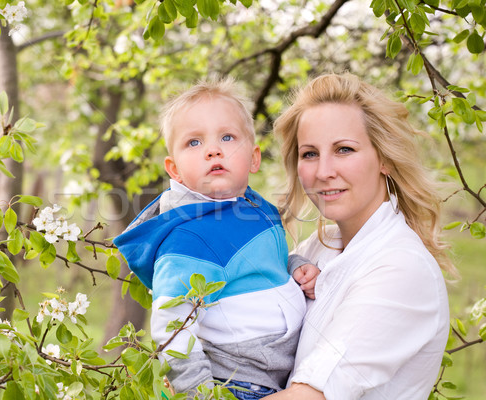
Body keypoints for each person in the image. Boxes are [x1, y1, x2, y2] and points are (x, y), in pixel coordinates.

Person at [113, 77, 312, 398]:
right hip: (235, 384)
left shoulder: (253, 209)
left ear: (254, 158)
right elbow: (172, 327)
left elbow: (264, 266)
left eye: (228, 137)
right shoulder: (187, 240)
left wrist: (296, 266)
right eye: (194, 142)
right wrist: (198, 393)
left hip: (281, 373)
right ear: (174, 170)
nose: (213, 150)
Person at [266, 73, 456, 400]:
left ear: (384, 158)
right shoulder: (315, 249)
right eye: (309, 153)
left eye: (344, 149)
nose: (324, 171)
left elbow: (310, 396)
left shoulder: (403, 268)